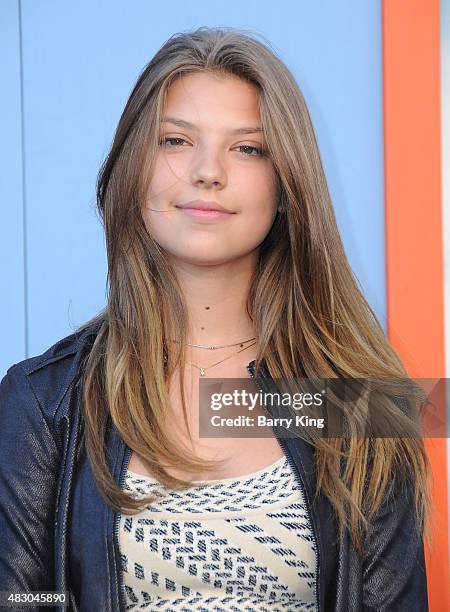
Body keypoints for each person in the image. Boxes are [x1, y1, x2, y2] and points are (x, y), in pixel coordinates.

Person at [0, 26, 432, 612]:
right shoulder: (43, 401)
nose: (208, 171)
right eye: (176, 141)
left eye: (248, 148)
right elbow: (22, 599)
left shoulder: (352, 398)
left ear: (285, 186)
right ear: (132, 168)